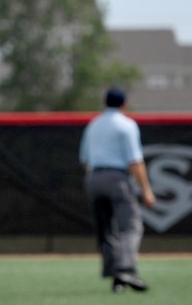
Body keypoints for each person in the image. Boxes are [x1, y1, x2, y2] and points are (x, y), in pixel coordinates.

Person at [79, 86, 155, 293]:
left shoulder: (93, 125)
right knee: (130, 227)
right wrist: (146, 190)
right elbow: (135, 161)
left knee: (106, 230)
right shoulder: (126, 125)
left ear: (105, 103)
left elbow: (85, 160)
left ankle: (116, 277)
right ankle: (126, 269)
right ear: (125, 104)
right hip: (116, 177)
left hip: (94, 178)